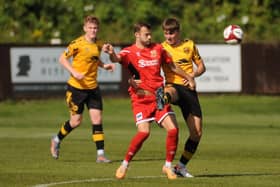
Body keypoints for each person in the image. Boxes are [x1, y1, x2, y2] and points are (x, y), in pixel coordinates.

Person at [103, 22, 195, 180]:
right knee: (144, 132)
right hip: (141, 98)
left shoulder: (158, 49)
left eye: (150, 34)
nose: (150, 37)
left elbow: (172, 67)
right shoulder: (129, 51)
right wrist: (111, 53)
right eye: (146, 34)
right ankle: (124, 164)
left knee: (173, 130)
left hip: (159, 95)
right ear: (137, 34)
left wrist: (188, 77)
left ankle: (167, 166)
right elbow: (117, 58)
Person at [50, 15, 115, 163]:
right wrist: (73, 72)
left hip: (93, 88)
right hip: (76, 89)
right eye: (90, 28)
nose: (93, 30)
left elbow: (94, 58)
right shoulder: (77, 43)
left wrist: (104, 65)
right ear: (85, 28)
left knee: (97, 120)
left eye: (96, 28)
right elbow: (62, 58)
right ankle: (56, 140)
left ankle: (100, 154)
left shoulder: (99, 43)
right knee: (76, 121)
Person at [161, 17, 206, 177]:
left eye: (171, 33)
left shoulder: (189, 45)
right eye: (166, 33)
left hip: (189, 90)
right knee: (168, 93)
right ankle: (159, 107)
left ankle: (180, 167)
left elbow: (202, 66)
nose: (168, 37)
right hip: (172, 85)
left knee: (197, 133)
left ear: (178, 32)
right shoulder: (161, 48)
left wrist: (192, 75)